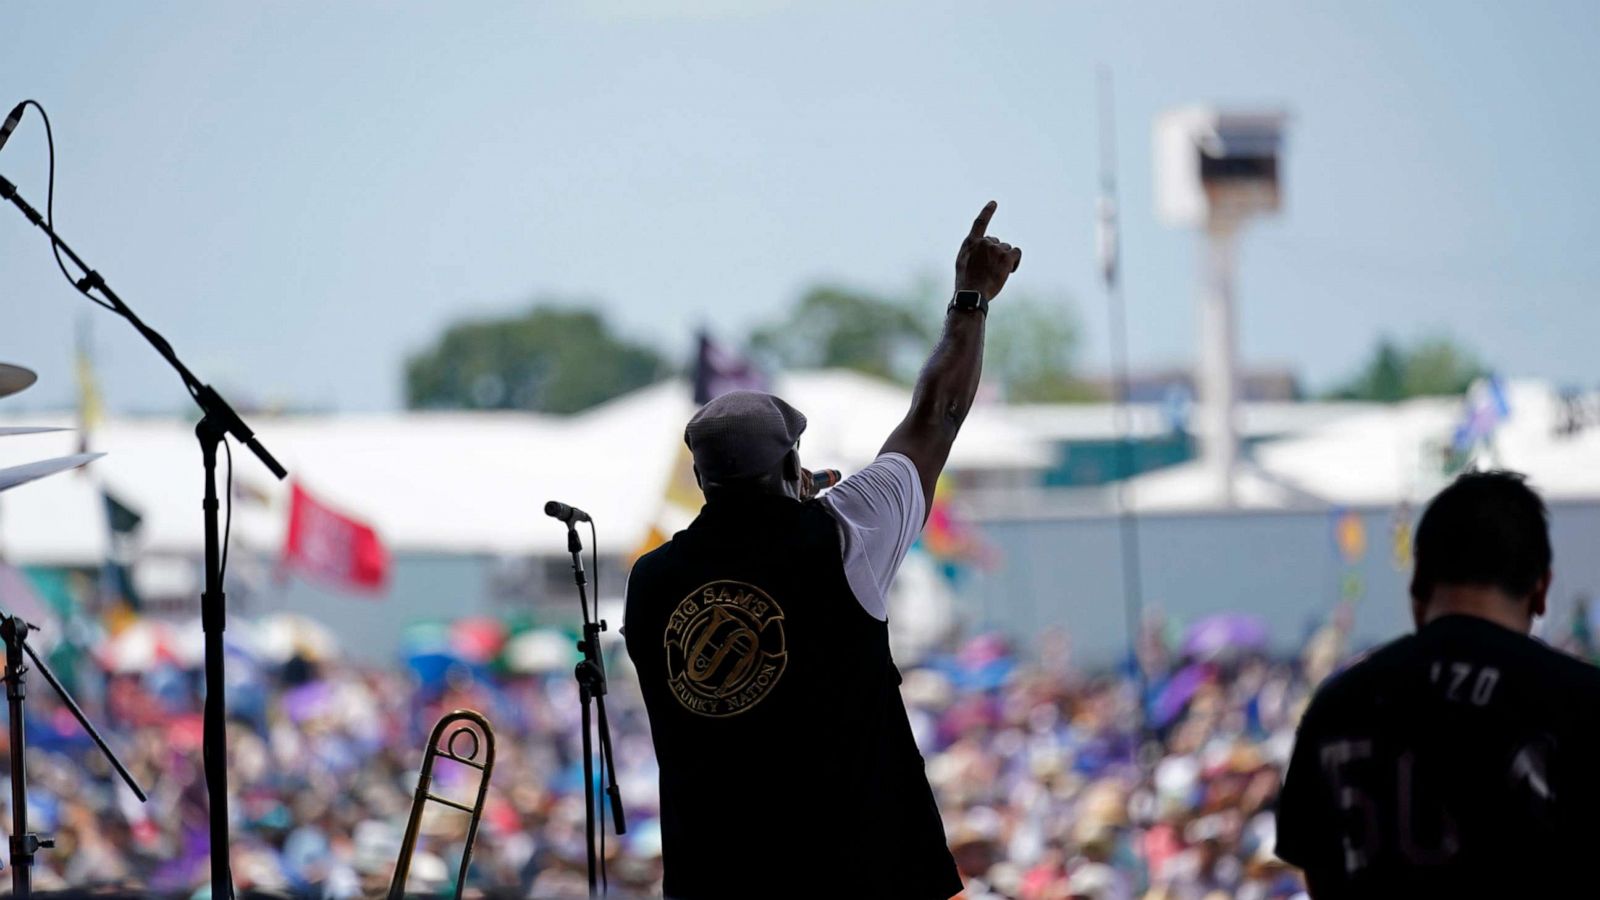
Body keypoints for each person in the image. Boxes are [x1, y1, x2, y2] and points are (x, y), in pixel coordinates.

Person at [623, 201, 1021, 899]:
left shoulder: (650, 583)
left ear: (702, 482)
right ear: (789, 469)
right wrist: (971, 297)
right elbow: (936, 416)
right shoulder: (841, 534)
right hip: (864, 873)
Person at [1276, 471, 1600, 897]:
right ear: (1541, 590)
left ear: (1416, 588)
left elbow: (1318, 873)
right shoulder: (1582, 701)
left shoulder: (1339, 705)